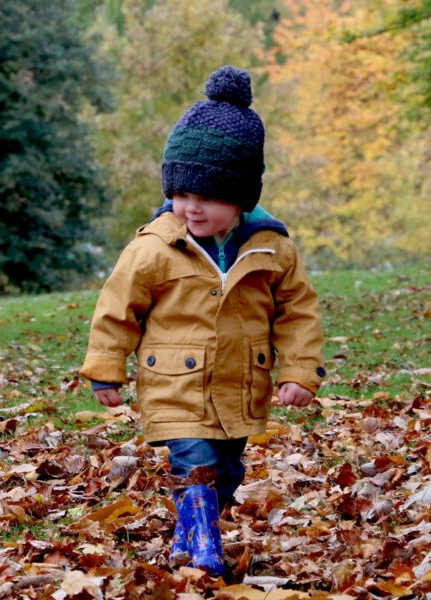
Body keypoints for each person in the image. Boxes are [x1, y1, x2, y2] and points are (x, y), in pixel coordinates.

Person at [79, 65, 325, 576]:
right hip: (174, 382)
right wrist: (106, 365)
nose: (191, 207)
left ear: (240, 197)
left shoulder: (272, 247)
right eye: (182, 194)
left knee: (228, 470)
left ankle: (188, 536)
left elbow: (297, 311)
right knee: (195, 463)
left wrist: (300, 372)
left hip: (240, 386)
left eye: (207, 197)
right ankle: (206, 550)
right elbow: (118, 304)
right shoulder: (155, 246)